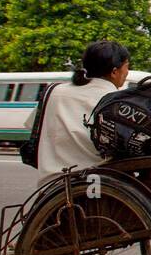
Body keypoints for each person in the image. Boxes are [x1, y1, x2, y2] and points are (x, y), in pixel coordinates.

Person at [35, 40, 132, 183]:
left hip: (52, 184)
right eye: (127, 66)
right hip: (100, 183)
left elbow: (34, 129)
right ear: (114, 71)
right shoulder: (119, 101)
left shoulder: (54, 91)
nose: (127, 72)